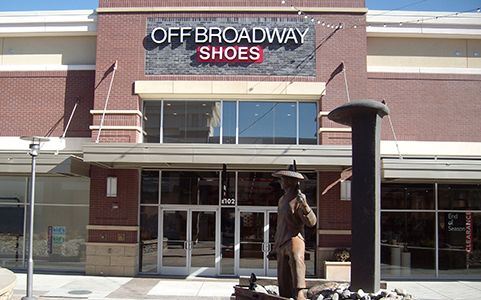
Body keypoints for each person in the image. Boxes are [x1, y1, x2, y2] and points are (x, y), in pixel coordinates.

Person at [272, 166, 317, 300]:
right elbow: (280, 225)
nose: (281, 182)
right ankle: (284, 295)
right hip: (282, 241)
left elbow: (312, 222)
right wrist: (275, 246)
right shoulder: (281, 200)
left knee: (297, 261)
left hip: (294, 239)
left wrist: (305, 206)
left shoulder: (299, 198)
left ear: (290, 182)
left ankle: (299, 293)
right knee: (283, 274)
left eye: (283, 180)